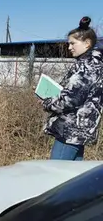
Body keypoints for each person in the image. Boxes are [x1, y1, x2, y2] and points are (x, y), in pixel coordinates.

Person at [42, 16, 103, 160]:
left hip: (69, 131)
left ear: (87, 43)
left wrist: (47, 102)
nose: (69, 48)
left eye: (72, 43)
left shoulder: (85, 66)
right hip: (81, 130)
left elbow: (69, 100)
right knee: (72, 175)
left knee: (58, 175)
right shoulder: (96, 64)